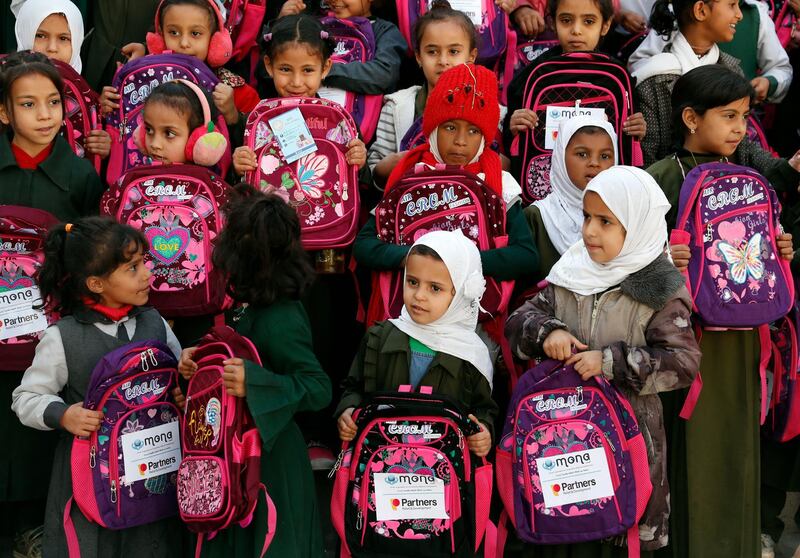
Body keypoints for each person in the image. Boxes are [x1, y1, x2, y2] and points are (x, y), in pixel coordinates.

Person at [506, 165, 702, 556]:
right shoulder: (571, 271)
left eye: (606, 221)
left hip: (631, 441)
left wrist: (611, 362)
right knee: (567, 527)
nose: (590, 231)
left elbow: (683, 362)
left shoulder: (660, 288)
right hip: (563, 439)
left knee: (619, 529)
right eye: (587, 217)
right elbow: (517, 322)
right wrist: (548, 333)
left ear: (637, 224)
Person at [646, 64, 798, 558]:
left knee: (737, 448)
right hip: (684, 343)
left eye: (745, 117)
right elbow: (629, 263)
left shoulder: (751, 179)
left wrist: (780, 251)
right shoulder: (660, 178)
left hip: (742, 338)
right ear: (690, 117)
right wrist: (664, 263)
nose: (739, 128)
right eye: (728, 116)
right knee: (692, 454)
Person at [11, 217, 184, 557]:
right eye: (132, 268)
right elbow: (25, 397)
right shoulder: (64, 337)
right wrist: (63, 415)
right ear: (95, 283)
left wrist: (183, 383)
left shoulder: (155, 323)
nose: (147, 273)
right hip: (92, 481)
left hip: (156, 470)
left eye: (144, 263)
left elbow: (175, 376)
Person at [178, 184, 332, 557]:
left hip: (272, 463)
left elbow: (318, 388)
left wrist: (256, 382)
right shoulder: (249, 301)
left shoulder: (282, 317)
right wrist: (200, 364)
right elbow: (238, 352)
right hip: (234, 452)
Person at [337, 229, 498, 456]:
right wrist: (348, 411)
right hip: (379, 463)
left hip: (442, 474)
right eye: (412, 282)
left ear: (461, 293)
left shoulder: (471, 355)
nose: (419, 295)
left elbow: (483, 409)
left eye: (435, 288)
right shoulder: (379, 336)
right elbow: (353, 387)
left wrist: (483, 431)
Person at [504, 0, 647, 155]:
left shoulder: (619, 76)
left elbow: (629, 138)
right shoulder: (533, 74)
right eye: (566, 20)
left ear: (605, 25)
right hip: (545, 173)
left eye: (588, 21)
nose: (576, 30)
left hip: (603, 175)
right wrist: (515, 124)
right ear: (553, 23)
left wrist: (637, 128)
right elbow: (511, 139)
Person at [232, 14, 367, 177]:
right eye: (285, 69)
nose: (296, 82)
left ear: (325, 68)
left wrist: (360, 164)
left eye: (308, 70)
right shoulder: (254, 123)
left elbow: (361, 190)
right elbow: (239, 189)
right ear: (269, 65)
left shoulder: (340, 123)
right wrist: (239, 168)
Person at [368, 0, 479, 187]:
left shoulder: (491, 109)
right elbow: (375, 172)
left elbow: (501, 169)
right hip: (410, 208)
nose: (443, 61)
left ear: (471, 57)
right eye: (432, 52)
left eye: (453, 51)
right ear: (419, 57)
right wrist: (395, 164)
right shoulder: (397, 107)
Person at [100, 0, 259, 128]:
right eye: (173, 32)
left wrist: (232, 115)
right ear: (160, 38)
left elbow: (254, 146)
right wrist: (108, 109)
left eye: (195, 33)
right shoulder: (140, 80)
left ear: (216, 41)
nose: (184, 43)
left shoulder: (237, 93)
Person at [525, 115, 617, 275]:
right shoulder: (537, 217)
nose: (594, 163)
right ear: (560, 157)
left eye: (605, 156)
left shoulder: (623, 215)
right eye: (582, 154)